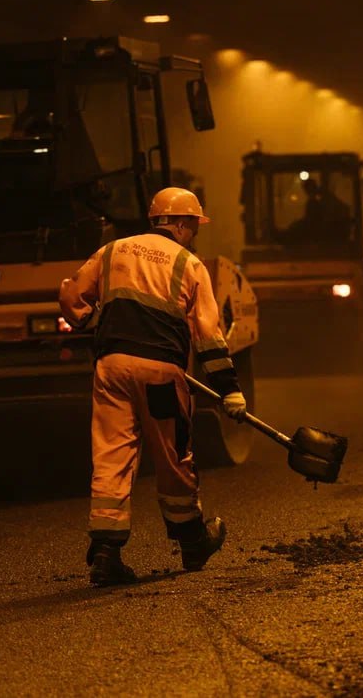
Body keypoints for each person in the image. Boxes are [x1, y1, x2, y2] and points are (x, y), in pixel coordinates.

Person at [59, 187, 243, 587]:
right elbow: (208, 335)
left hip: (112, 367)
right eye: (193, 225)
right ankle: (193, 542)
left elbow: (71, 295)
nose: (194, 233)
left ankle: (106, 554)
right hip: (161, 372)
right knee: (173, 456)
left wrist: (90, 322)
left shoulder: (113, 251)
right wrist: (229, 388)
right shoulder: (190, 265)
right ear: (180, 223)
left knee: (111, 456)